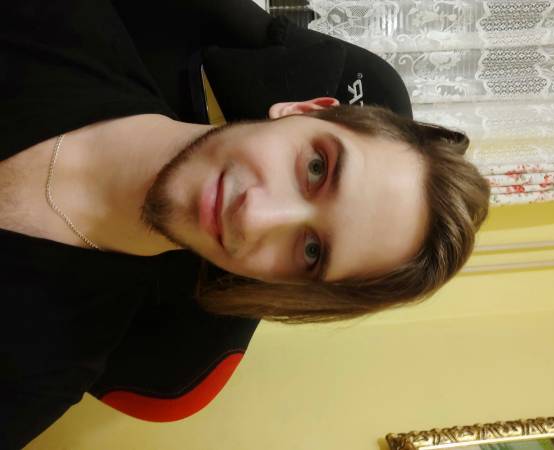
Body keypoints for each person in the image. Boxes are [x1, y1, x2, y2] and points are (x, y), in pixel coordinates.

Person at [0, 1, 490, 448]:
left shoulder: (38, 371)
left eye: (311, 251)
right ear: (303, 110)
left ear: (283, 285)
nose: (256, 215)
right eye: (316, 168)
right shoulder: (54, 21)